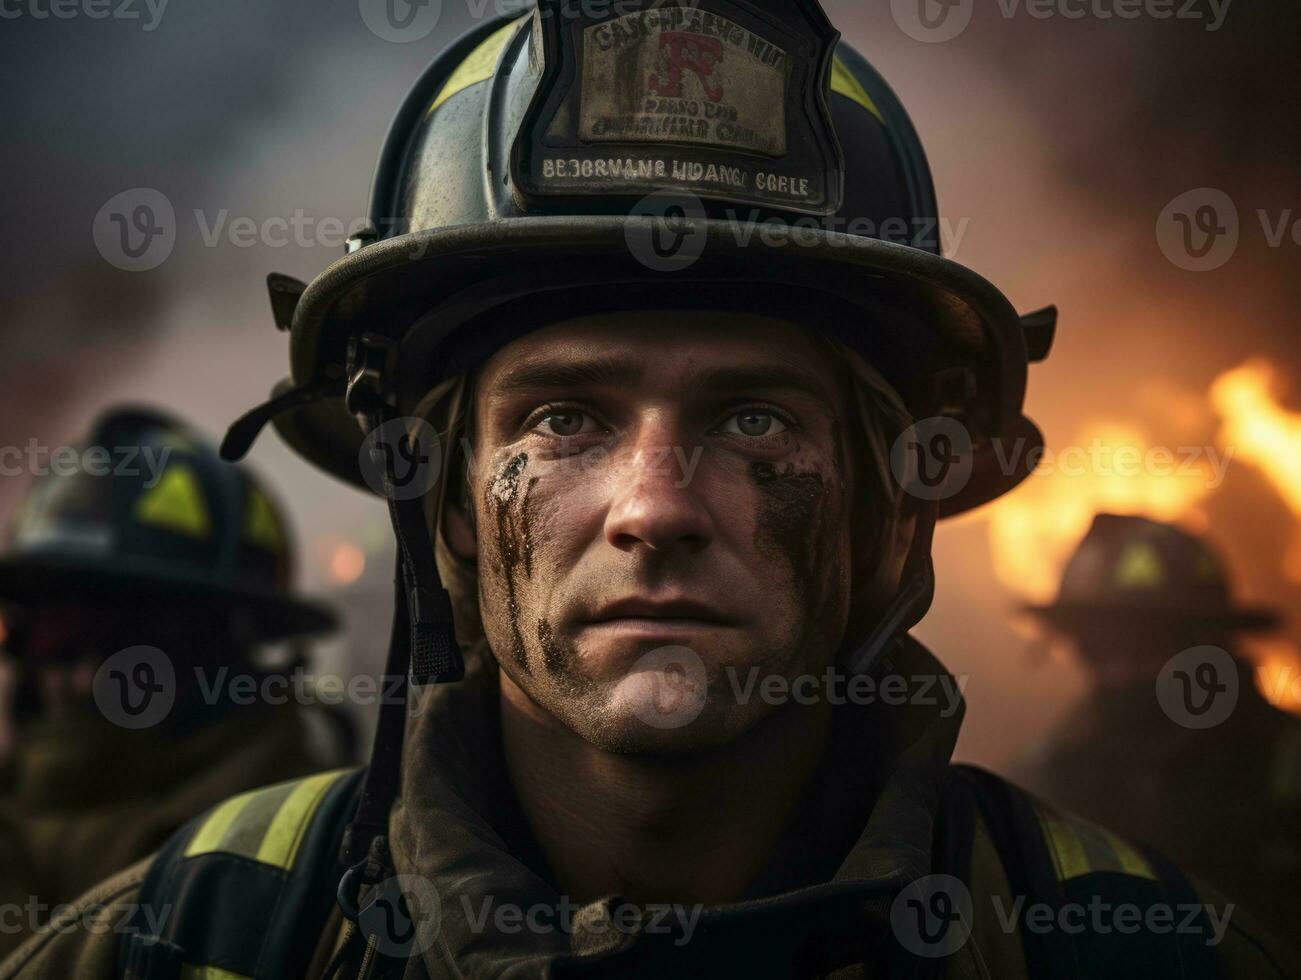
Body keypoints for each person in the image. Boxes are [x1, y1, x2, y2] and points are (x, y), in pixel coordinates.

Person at [3, 2, 1295, 977]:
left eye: (752, 418)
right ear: (446, 509)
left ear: (884, 509)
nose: (656, 506)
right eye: (565, 418)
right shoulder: (206, 933)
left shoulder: (1127, 947)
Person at [0, 406, 346, 958]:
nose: (78, 674)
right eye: (47, 635)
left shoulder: (299, 868)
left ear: (223, 656)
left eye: (125, 640)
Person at [1011, 513, 1301, 939]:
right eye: (1100, 650)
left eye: (1150, 648)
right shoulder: (1043, 783)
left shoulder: (1286, 765)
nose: (1125, 673)